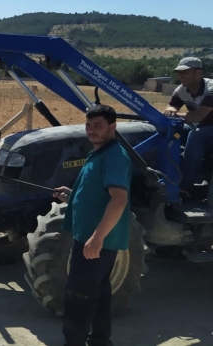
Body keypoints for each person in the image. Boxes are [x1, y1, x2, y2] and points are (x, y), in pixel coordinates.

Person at [52, 104, 132, 346]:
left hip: (95, 241)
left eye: (98, 126)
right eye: (88, 125)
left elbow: (119, 199)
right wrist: (72, 194)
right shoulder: (99, 154)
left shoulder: (114, 156)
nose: (91, 130)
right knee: (99, 295)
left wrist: (97, 238)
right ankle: (99, 341)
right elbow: (98, 192)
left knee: (77, 297)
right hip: (93, 240)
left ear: (113, 127)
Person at [162, 56, 213, 196]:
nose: (180, 75)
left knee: (196, 135)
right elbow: (171, 107)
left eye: (185, 72)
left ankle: (185, 187)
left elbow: (197, 116)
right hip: (203, 126)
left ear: (198, 73)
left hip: (205, 127)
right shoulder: (182, 90)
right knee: (169, 130)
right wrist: (171, 110)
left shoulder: (211, 88)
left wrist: (175, 114)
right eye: (179, 72)